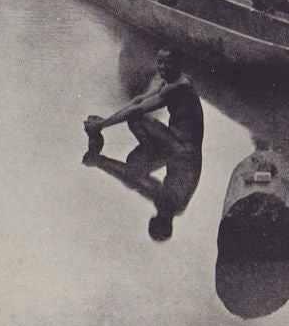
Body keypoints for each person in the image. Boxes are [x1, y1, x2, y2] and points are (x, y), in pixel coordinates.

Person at [83, 48, 203, 242]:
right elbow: (139, 100)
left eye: (168, 63)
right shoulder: (172, 81)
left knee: (133, 169)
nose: (162, 67)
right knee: (136, 125)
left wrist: (102, 127)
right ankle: (144, 151)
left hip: (184, 152)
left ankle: (100, 157)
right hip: (179, 145)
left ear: (178, 65)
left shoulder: (180, 87)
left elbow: (139, 109)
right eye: (160, 62)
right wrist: (103, 122)